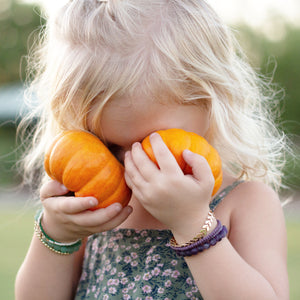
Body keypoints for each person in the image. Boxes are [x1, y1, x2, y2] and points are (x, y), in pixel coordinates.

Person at [15, 0, 289, 299]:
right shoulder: (90, 208)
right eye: (108, 146)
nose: (132, 164)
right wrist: (56, 234)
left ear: (212, 101)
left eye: (152, 143)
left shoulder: (245, 203)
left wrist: (194, 225)